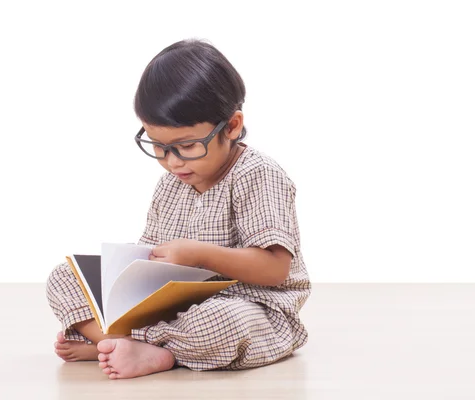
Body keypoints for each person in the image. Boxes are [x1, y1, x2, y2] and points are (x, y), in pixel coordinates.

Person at [46, 39, 311, 379]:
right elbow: (150, 259)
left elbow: (275, 270)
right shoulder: (172, 182)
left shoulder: (258, 175)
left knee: (214, 324)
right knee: (64, 277)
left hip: (251, 307)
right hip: (173, 307)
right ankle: (124, 341)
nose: (172, 162)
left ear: (231, 126)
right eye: (158, 146)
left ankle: (125, 344)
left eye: (186, 146)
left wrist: (198, 254)